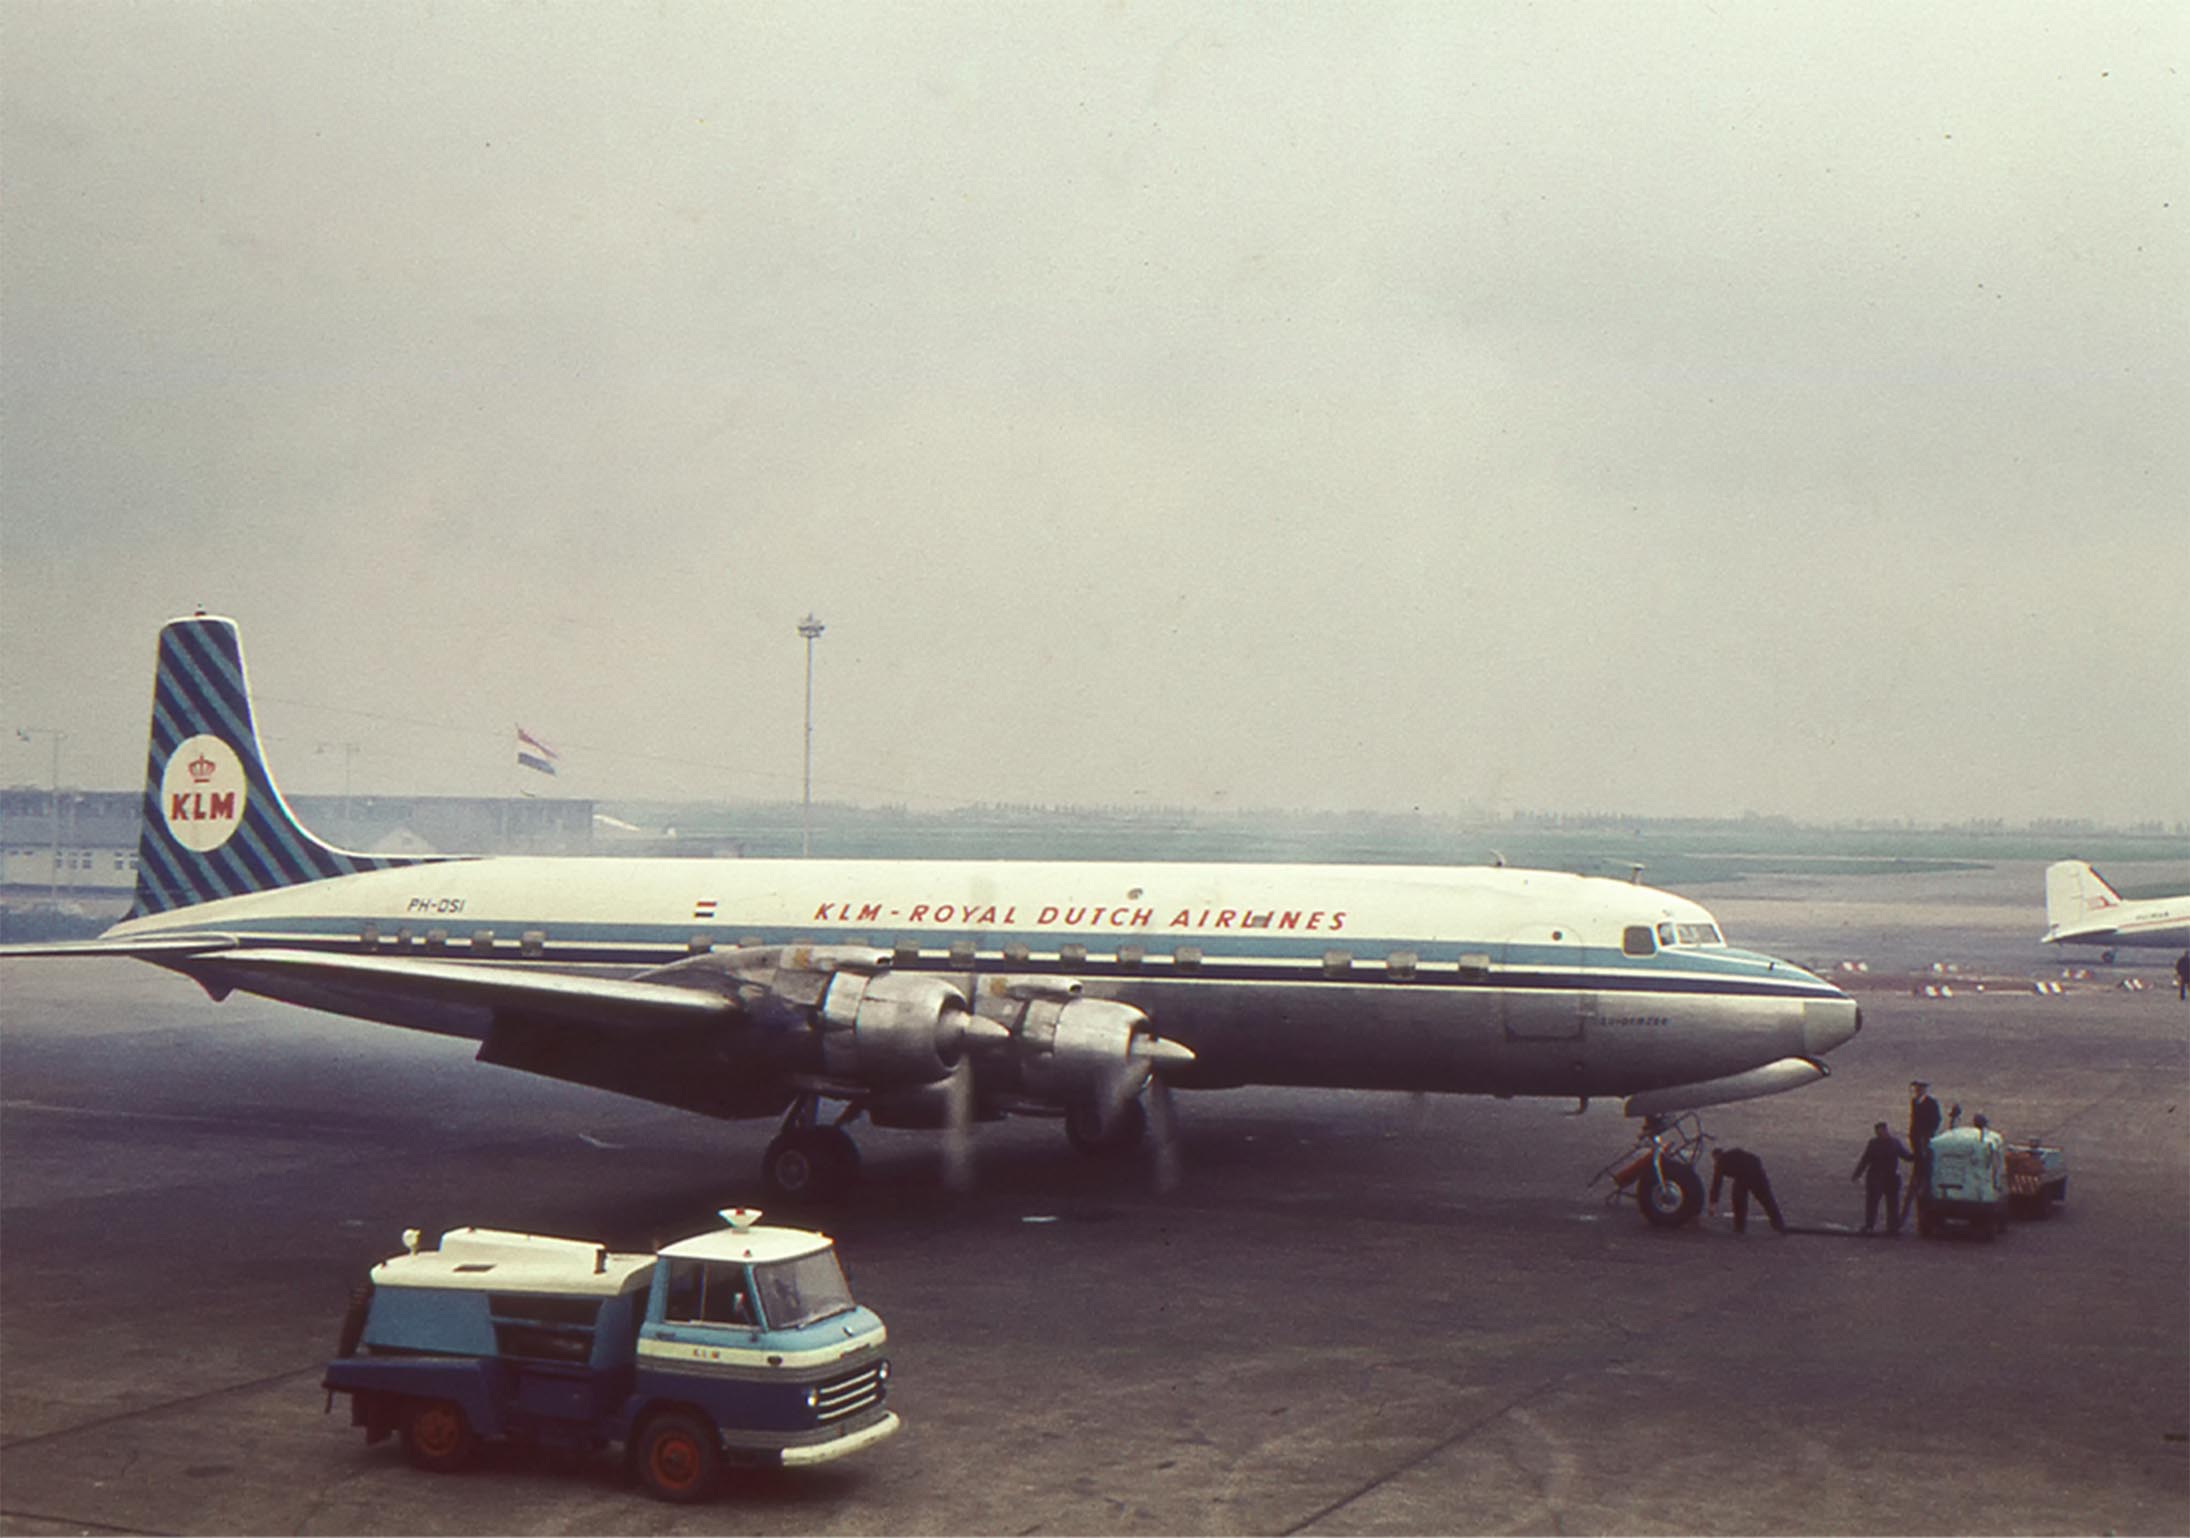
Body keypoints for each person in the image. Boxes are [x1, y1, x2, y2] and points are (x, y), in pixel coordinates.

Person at [1851, 1121, 1913, 1235]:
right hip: (1880, 1178)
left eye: (1881, 1131)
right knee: (1875, 1204)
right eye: (1878, 1132)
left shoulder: (1888, 1143)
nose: (1880, 1134)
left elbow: (1906, 1156)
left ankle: (1890, 1227)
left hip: (1886, 1178)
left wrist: (1915, 1156)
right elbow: (1865, 1160)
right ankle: (1874, 1225)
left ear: (1885, 1130)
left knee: (1889, 1204)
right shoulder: (1888, 1143)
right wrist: (1857, 1174)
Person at [1708, 1146, 1786, 1234]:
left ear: (1715, 1157)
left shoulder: (1720, 1163)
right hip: (1756, 1170)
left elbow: (1716, 1184)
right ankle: (1779, 1224)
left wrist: (1712, 1204)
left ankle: (1739, 1227)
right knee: (1767, 1199)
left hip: (1745, 1175)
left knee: (1738, 1200)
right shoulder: (1733, 1154)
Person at [1901, 1081, 1943, 1225]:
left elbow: (1936, 1119)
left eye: (1920, 1089)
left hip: (1925, 1136)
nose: (1918, 1091)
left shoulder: (1931, 1103)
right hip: (1916, 1136)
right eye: (1917, 1089)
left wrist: (1928, 1133)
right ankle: (1920, 1170)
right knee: (1919, 1156)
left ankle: (1922, 1175)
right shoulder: (1915, 1102)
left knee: (1924, 1161)